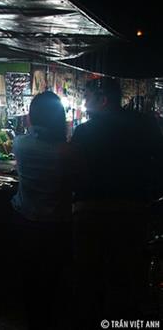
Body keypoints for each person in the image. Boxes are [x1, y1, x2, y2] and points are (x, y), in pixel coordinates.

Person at [71, 77, 163, 329]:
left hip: (91, 213)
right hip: (132, 212)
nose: (84, 102)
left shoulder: (84, 132)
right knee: (125, 277)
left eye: (87, 98)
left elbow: (75, 172)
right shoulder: (146, 125)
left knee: (89, 277)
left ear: (102, 100)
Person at [9, 91, 72, 330]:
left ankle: (32, 319)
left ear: (32, 116)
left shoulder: (20, 144)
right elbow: (79, 180)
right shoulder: (68, 151)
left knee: (29, 276)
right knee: (53, 277)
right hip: (57, 223)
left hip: (25, 220)